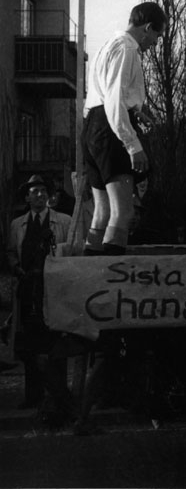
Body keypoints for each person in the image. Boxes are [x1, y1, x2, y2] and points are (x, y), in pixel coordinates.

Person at [80, 1, 167, 255]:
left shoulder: (107, 46)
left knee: (102, 211)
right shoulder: (127, 49)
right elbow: (114, 100)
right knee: (123, 212)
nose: (155, 43)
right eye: (157, 35)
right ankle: (110, 275)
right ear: (147, 28)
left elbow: (106, 95)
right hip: (110, 129)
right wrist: (133, 145)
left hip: (93, 126)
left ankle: (91, 273)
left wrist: (136, 111)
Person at [6, 175, 71, 412]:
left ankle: (59, 395)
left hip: (53, 290)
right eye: (34, 192)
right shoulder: (17, 225)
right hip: (27, 290)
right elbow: (11, 252)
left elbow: (72, 252)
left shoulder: (64, 222)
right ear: (27, 197)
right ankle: (33, 396)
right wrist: (16, 267)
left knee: (55, 342)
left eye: (43, 191)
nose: (40, 195)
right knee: (29, 346)